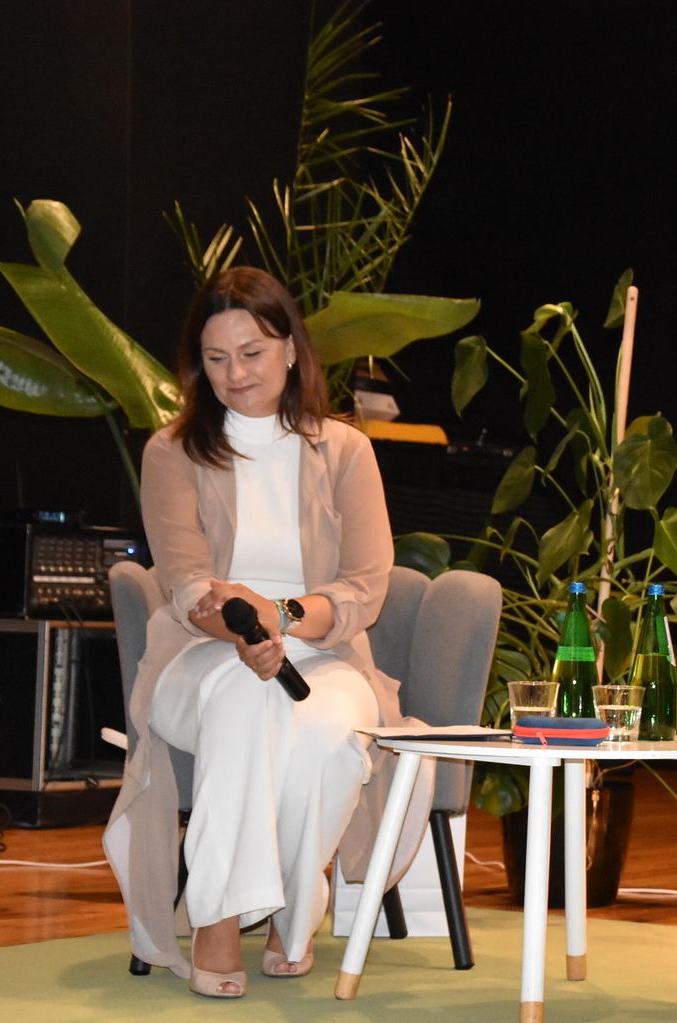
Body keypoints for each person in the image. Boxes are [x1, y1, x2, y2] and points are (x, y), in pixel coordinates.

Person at [103, 266, 432, 998]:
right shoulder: (172, 452)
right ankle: (220, 917)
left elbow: (365, 586)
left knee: (330, 737)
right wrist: (243, 631)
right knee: (247, 699)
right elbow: (188, 582)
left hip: (327, 653)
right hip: (202, 655)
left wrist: (279, 616)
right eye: (216, 359)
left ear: (290, 348)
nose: (235, 374)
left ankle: (292, 908)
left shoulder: (345, 450)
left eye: (251, 352)